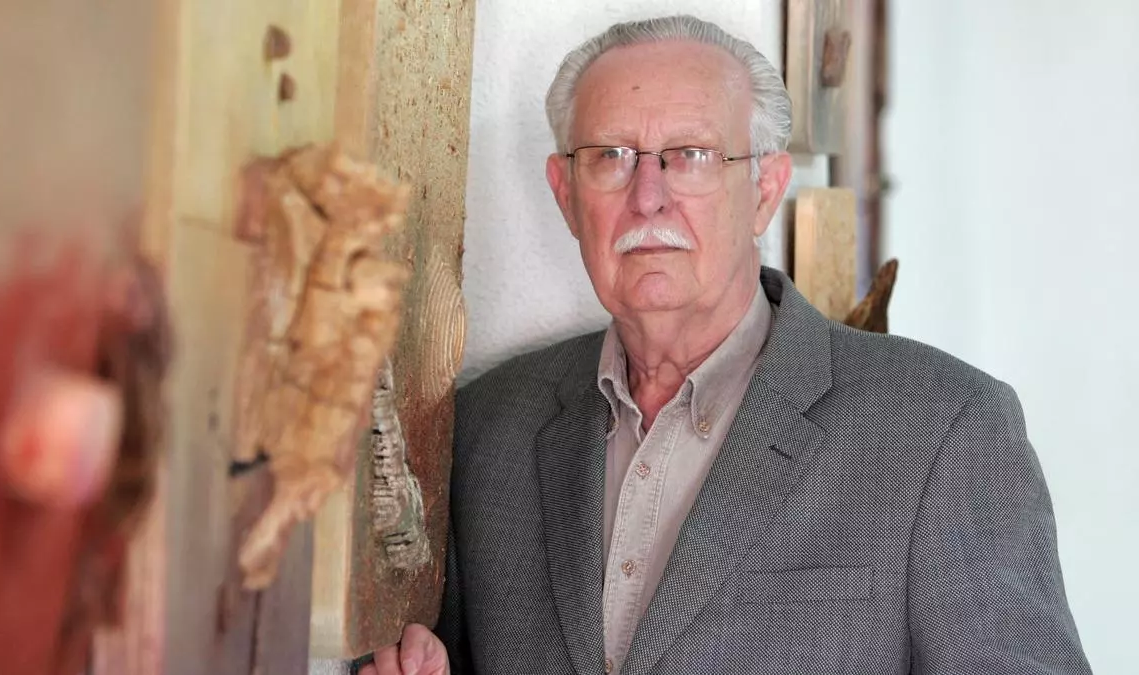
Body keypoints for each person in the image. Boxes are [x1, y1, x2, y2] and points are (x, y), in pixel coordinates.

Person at [361, 14, 1091, 675]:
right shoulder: (487, 430)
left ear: (766, 189)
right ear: (566, 192)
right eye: (611, 155)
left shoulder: (944, 429)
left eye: (691, 155)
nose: (648, 196)